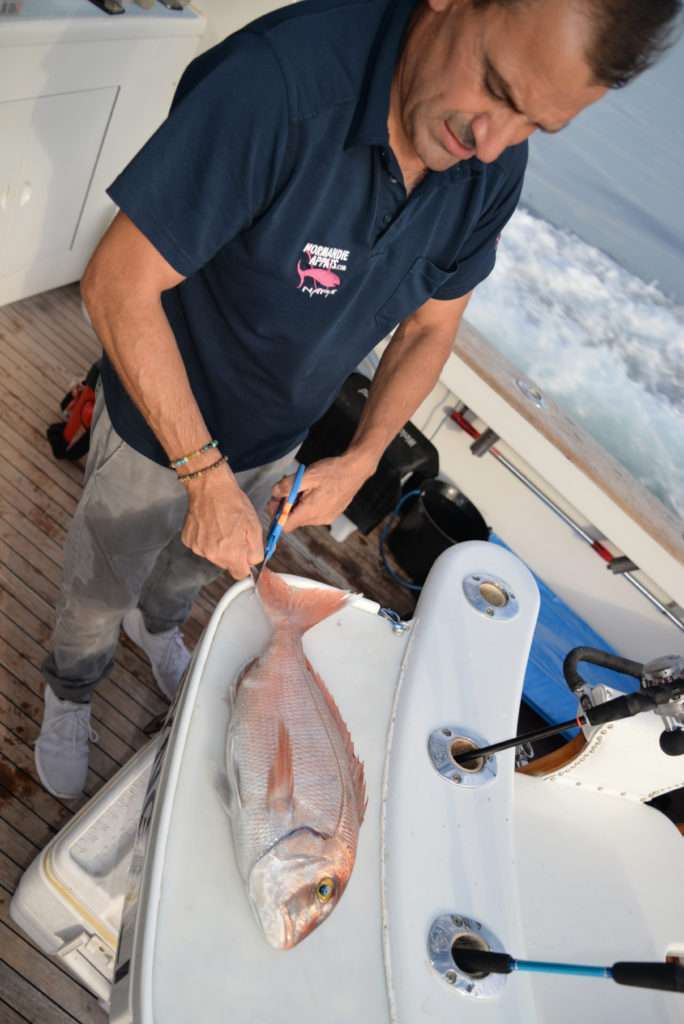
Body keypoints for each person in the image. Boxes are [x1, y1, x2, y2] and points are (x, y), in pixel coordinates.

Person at [35, 0, 681, 799]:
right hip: (156, 420)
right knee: (102, 582)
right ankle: (70, 688)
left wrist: (363, 456)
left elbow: (430, 327)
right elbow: (118, 282)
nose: (493, 143)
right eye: (495, 87)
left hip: (279, 435)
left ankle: (158, 625)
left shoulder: (491, 165)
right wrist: (202, 475)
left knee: (193, 568)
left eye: (533, 126)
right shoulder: (277, 85)